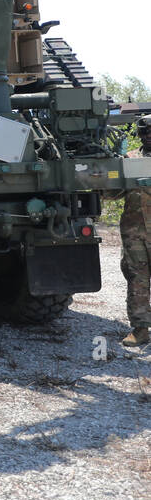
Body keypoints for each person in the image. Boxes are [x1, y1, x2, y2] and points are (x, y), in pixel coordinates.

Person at [119, 115, 151, 346]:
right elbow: (113, 192)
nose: (148, 136)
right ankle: (140, 330)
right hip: (134, 232)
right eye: (144, 132)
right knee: (137, 280)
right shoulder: (129, 159)